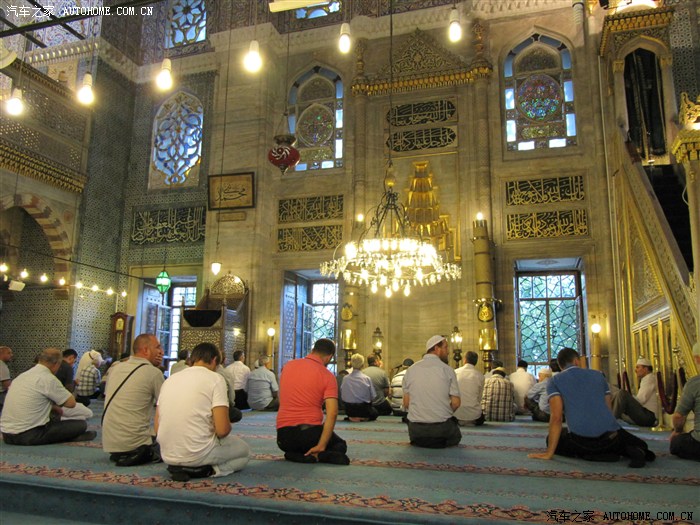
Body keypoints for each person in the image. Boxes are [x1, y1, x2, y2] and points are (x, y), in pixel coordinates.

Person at [528, 347, 655, 468]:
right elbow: (608, 410)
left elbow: (556, 418)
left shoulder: (554, 381)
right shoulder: (598, 375)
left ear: (560, 366)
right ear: (577, 361)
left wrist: (549, 453)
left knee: (555, 440)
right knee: (639, 444)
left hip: (581, 441)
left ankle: (594, 455)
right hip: (611, 437)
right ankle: (625, 450)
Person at [156, 342, 250, 481]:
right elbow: (222, 430)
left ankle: (181, 466)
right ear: (214, 360)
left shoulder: (170, 380)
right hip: (198, 453)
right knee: (244, 452)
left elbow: (157, 427)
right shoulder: (216, 379)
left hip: (167, 454)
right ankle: (208, 470)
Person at [276, 338, 349, 465]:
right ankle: (319, 454)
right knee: (340, 445)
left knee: (297, 444)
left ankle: (295, 454)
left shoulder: (288, 366)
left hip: (283, 439)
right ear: (329, 357)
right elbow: (332, 413)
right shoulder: (327, 376)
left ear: (312, 350)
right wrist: (322, 445)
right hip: (309, 436)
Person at [1, 347, 95, 445]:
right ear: (57, 364)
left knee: (55, 417)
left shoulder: (22, 376)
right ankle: (72, 438)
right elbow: (71, 403)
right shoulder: (48, 378)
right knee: (81, 424)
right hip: (29, 435)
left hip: (7, 435)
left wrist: (52, 406)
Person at [102, 334, 165, 467]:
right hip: (136, 442)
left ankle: (123, 453)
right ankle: (142, 452)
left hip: (109, 443)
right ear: (146, 350)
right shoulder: (153, 372)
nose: (162, 352)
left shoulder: (115, 369)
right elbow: (168, 407)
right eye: (158, 347)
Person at [402, 335, 461, 448]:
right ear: (436, 349)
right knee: (455, 433)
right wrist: (441, 413)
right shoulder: (448, 370)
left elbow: (406, 403)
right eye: (446, 347)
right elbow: (456, 403)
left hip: (416, 432)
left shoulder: (410, 370)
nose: (448, 352)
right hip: (441, 431)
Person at [670, 342, 700, 460]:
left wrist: (677, 431)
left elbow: (678, 417)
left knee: (676, 443)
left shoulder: (694, 383)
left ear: (697, 359)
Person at [611, 357, 658, 427]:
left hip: (649, 416)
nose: (635, 370)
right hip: (646, 414)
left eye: (638, 367)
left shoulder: (649, 379)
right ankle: (610, 420)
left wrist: (627, 398)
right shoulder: (646, 379)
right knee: (618, 394)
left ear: (645, 369)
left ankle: (610, 423)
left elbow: (641, 400)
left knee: (622, 394)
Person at [340, 353, 378, 422]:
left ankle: (353, 417)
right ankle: (363, 418)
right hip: (364, 409)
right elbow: (373, 396)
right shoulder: (366, 378)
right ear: (362, 365)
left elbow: (343, 396)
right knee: (375, 412)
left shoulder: (345, 378)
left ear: (351, 364)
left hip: (349, 410)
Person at [454, 351, 485, 426]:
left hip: (456, 413)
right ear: (476, 362)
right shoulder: (480, 376)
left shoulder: (455, 372)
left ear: (464, 360)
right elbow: (479, 398)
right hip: (474, 415)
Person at [0, 345, 13, 411]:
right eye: (8, 353)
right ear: (1, 354)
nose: (11, 355)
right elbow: (7, 385)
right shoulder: (2, 366)